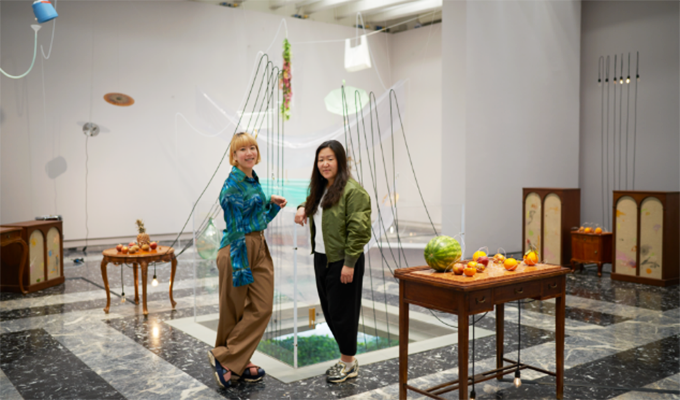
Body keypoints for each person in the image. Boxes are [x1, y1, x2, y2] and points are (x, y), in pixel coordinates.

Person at [208, 132, 287, 388]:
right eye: (243, 150)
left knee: (262, 306)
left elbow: (256, 217)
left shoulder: (253, 180)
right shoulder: (232, 184)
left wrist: (270, 203)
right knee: (234, 309)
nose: (249, 152)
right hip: (237, 247)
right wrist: (240, 264)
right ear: (234, 156)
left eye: (252, 147)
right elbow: (236, 224)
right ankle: (236, 361)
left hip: (258, 244)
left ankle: (227, 358)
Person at [294, 140, 371, 383]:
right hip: (322, 258)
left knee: (343, 313)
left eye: (330, 159)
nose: (325, 164)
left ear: (340, 161)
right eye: (320, 160)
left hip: (343, 261)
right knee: (330, 311)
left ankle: (349, 363)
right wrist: (301, 207)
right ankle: (345, 359)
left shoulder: (353, 191)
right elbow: (315, 206)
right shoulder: (322, 188)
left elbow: (359, 230)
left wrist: (349, 264)